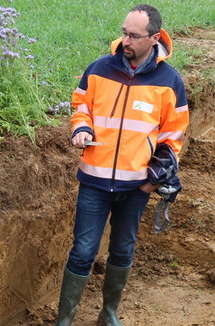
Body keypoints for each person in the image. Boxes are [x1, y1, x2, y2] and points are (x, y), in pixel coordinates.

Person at [55, 4, 189, 326]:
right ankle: (64, 320)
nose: (125, 40)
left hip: (136, 187)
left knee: (123, 251)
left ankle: (109, 313)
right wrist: (81, 128)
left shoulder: (170, 82)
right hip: (94, 182)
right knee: (83, 252)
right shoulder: (99, 69)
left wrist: (154, 180)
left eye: (133, 35)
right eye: (124, 32)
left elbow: (173, 138)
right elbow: (80, 107)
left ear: (154, 37)